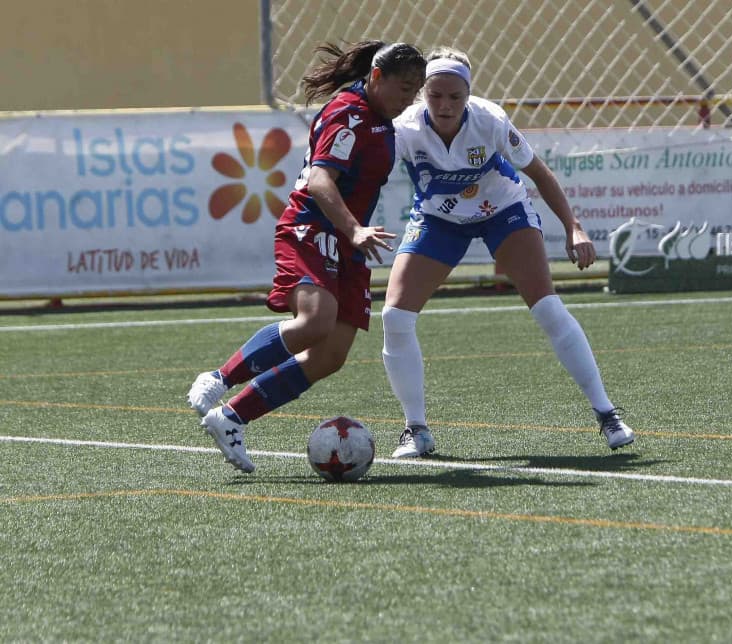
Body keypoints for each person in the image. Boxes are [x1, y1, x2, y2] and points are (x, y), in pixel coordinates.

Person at [381, 47, 635, 458]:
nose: (445, 106)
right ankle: (416, 429)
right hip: (438, 218)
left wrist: (574, 226)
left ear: (469, 95)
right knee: (394, 316)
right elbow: (367, 179)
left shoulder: (490, 120)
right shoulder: (403, 129)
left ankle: (607, 414)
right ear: (421, 94)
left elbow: (539, 173)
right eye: (435, 95)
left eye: (455, 97)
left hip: (503, 211)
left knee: (548, 308)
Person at [187, 41, 427, 473]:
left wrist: (353, 234)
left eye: (416, 91)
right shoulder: (349, 113)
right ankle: (218, 379)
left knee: (331, 353)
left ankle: (231, 417)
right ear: (377, 77)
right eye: (404, 88)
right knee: (315, 321)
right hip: (312, 226)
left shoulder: (381, 120)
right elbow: (319, 180)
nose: (409, 99)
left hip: (349, 244)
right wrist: (354, 229)